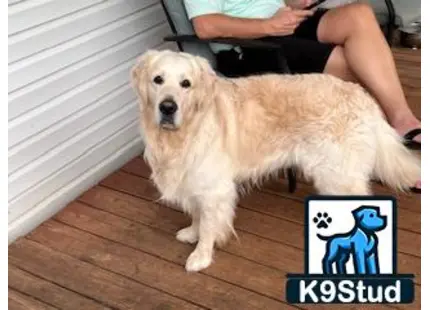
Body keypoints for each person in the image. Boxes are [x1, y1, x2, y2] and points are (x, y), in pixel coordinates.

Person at [183, 0, 421, 150]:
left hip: (284, 24)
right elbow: (205, 26)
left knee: (359, 13)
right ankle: (382, 145)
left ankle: (402, 119)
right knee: (351, 60)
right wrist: (268, 26)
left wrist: (295, 3)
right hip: (249, 45)